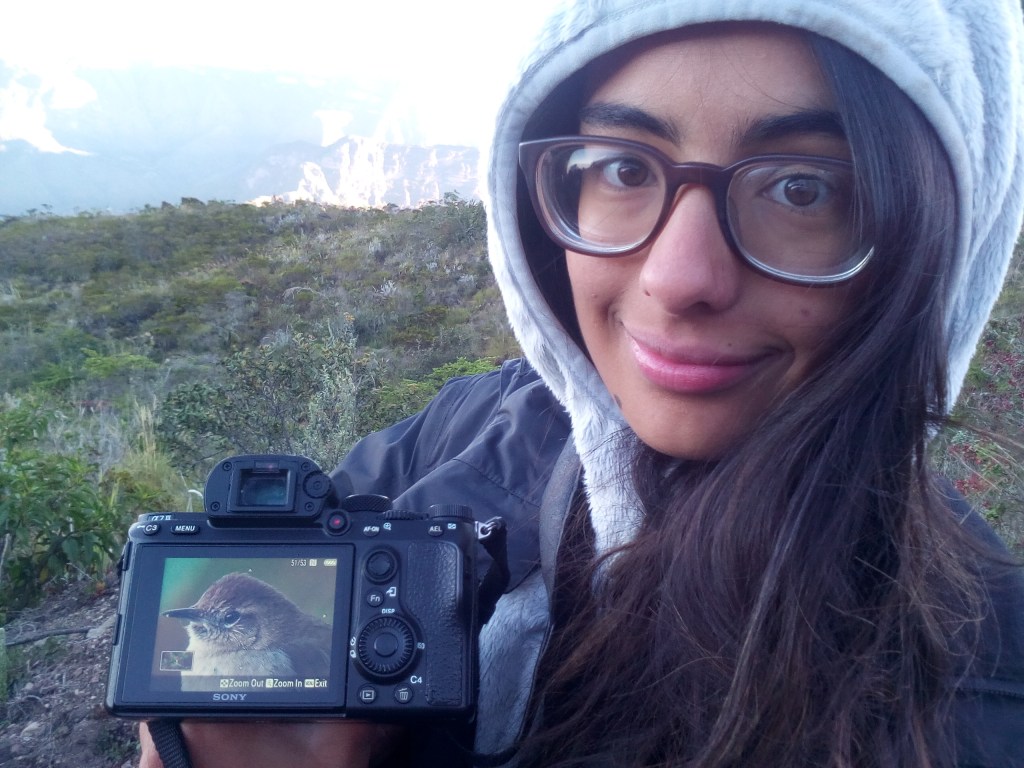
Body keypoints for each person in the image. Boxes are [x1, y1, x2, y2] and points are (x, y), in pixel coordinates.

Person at [139, 0, 1024, 765]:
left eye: (804, 188)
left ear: (936, 241)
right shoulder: (494, 415)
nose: (678, 278)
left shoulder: (966, 691)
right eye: (624, 169)